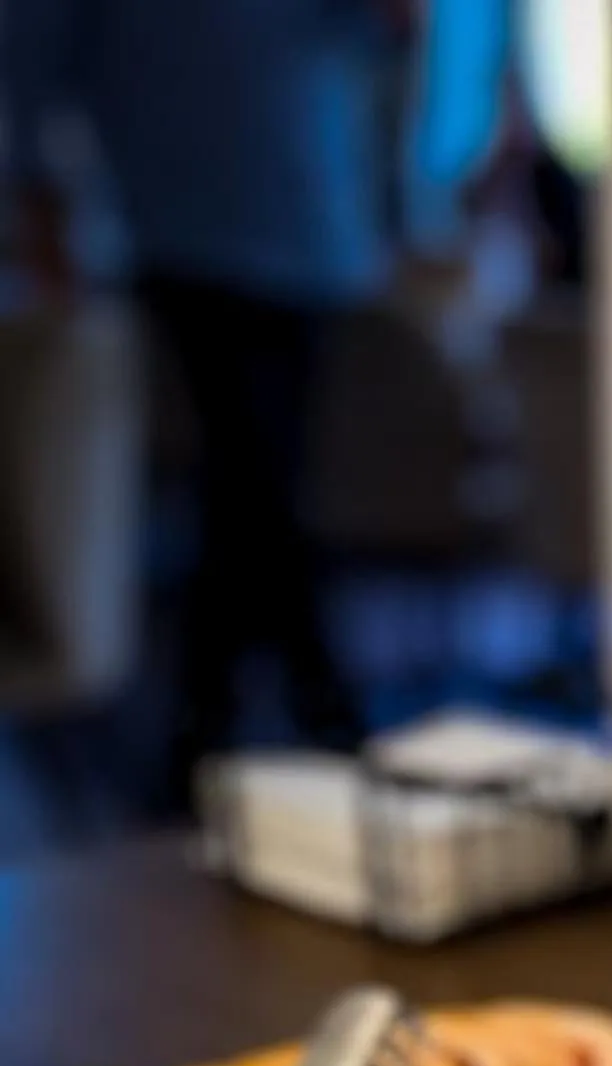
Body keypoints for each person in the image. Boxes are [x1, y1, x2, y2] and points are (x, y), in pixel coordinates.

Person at [1, 0, 416, 784]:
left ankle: (222, 729)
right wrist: (36, 199)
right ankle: (303, 717)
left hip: (305, 222)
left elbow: (375, 32)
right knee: (252, 485)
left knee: (253, 489)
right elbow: (32, 49)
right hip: (190, 226)